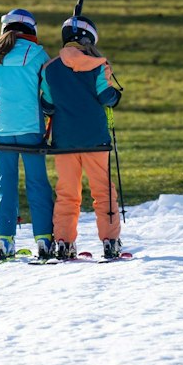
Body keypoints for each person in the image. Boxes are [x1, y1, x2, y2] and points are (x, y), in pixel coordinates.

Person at [39, 14, 124, 261]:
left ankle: (64, 242)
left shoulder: (49, 68)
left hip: (64, 141)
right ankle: (110, 241)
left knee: (67, 192)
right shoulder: (98, 64)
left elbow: (48, 104)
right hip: (96, 139)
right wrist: (116, 96)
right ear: (89, 39)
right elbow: (106, 96)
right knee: (103, 191)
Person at [0, 8, 56, 262]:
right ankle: (44, 240)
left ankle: (4, 241)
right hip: (31, 127)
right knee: (37, 183)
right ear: (31, 30)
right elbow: (49, 94)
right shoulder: (38, 54)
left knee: (4, 184)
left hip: (1, 129)